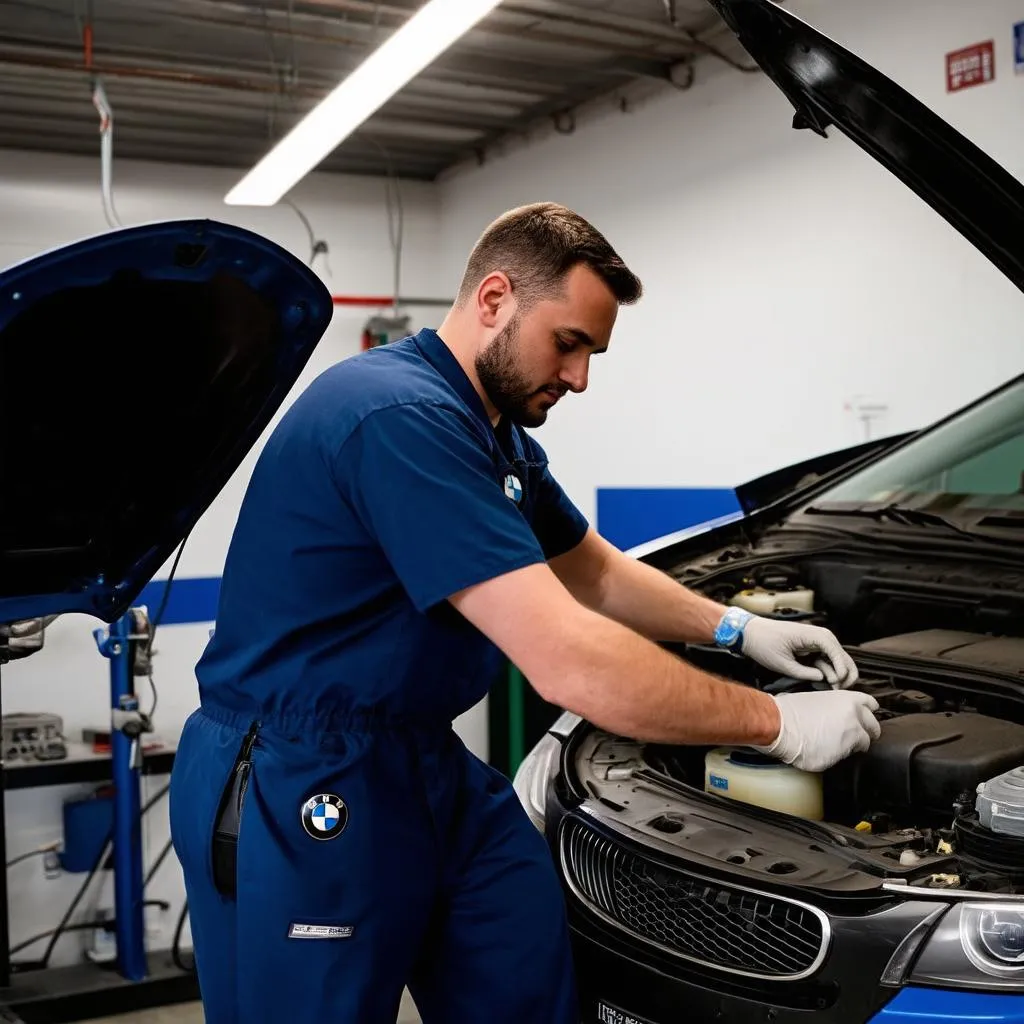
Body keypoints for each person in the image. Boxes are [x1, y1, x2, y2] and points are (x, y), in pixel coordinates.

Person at [168, 202, 880, 1024]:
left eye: (594, 353)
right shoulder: (400, 417)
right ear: (495, 298)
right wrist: (774, 725)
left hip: (421, 764)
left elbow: (593, 572)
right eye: (568, 342)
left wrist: (737, 628)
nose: (579, 377)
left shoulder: (491, 434)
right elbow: (571, 662)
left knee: (523, 974)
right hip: (303, 776)